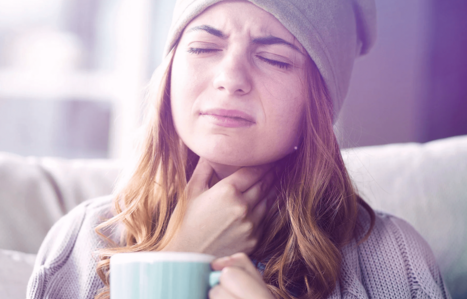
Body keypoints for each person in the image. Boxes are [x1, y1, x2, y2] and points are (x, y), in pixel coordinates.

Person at [27, 0, 451, 298]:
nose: (230, 77)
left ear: (318, 101)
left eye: (274, 58)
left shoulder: (394, 257)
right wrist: (179, 259)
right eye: (203, 48)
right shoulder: (83, 240)